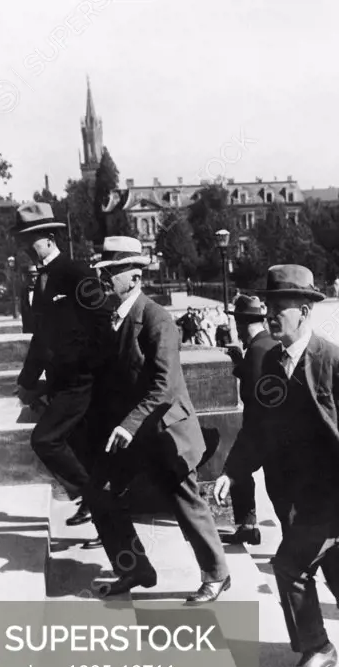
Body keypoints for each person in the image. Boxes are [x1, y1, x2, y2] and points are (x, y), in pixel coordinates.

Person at [214, 264, 339, 667]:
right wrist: (232, 471)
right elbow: (257, 428)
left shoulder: (336, 362)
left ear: (304, 311)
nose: (271, 315)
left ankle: (317, 648)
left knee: (289, 566)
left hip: (332, 496)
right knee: (337, 569)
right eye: (270, 307)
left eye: (280, 307)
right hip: (293, 495)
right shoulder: (272, 364)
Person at [88, 238, 230, 602]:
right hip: (136, 433)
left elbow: (164, 386)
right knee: (102, 495)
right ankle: (134, 568)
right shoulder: (115, 318)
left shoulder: (156, 319)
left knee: (186, 502)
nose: (104, 279)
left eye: (111, 273)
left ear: (134, 278)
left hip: (166, 431)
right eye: (103, 272)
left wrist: (127, 425)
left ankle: (217, 574)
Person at [13, 202, 113, 528]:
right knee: (81, 449)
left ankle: (92, 497)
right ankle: (98, 511)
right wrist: (27, 381)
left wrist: (84, 368)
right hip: (60, 381)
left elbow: (103, 326)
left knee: (45, 440)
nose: (27, 247)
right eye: (23, 240)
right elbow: (41, 339)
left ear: (50, 237)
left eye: (33, 239)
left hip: (82, 381)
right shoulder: (42, 281)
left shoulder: (77, 274)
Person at [220, 294, 279, 546]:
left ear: (242, 324)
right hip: (278, 430)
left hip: (262, 431)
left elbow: (254, 399)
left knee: (235, 470)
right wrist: (239, 363)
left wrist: (248, 441)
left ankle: (248, 525)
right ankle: (248, 527)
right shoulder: (269, 344)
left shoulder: (255, 351)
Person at [19, 263, 39, 334]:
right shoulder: (24, 292)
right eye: (31, 277)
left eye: (36, 276)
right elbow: (23, 310)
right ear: (27, 278)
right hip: (28, 328)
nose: (34, 279)